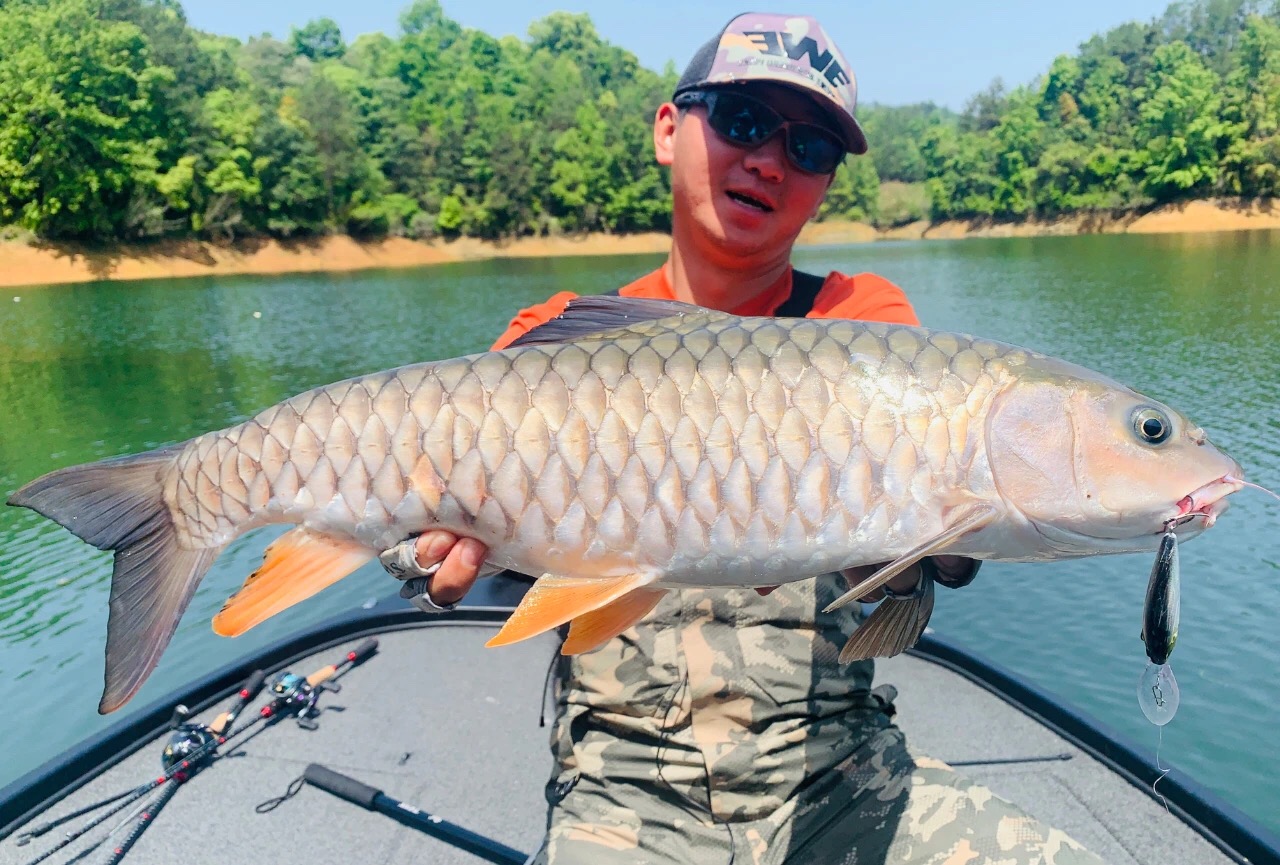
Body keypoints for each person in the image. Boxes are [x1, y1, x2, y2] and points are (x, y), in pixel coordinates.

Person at [379, 13, 1104, 864]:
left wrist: (926, 555)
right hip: (621, 791)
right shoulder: (552, 341)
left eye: (811, 148)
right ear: (668, 128)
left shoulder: (862, 325)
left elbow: (941, 544)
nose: (769, 160)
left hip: (836, 775)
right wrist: (423, 549)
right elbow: (452, 546)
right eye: (743, 121)